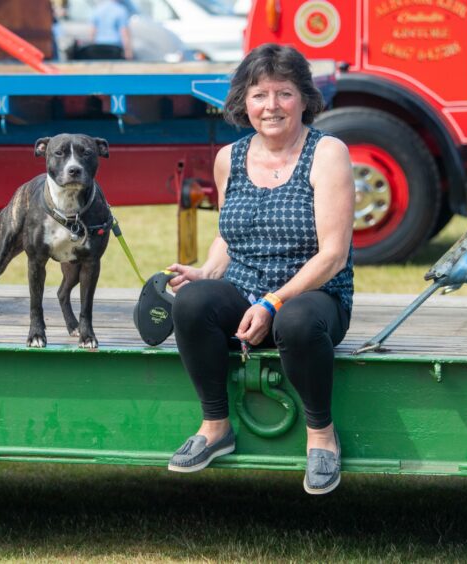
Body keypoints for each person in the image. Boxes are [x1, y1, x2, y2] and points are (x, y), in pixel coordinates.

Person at [165, 43, 354, 495]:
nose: (271, 106)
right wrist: (206, 272)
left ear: (304, 99)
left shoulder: (327, 153)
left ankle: (321, 436)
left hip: (314, 298)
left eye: (284, 93)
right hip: (246, 295)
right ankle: (215, 428)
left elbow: (333, 255)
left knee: (298, 319)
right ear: (243, 103)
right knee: (191, 302)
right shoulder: (229, 157)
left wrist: (273, 301)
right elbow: (230, 233)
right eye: (259, 95)